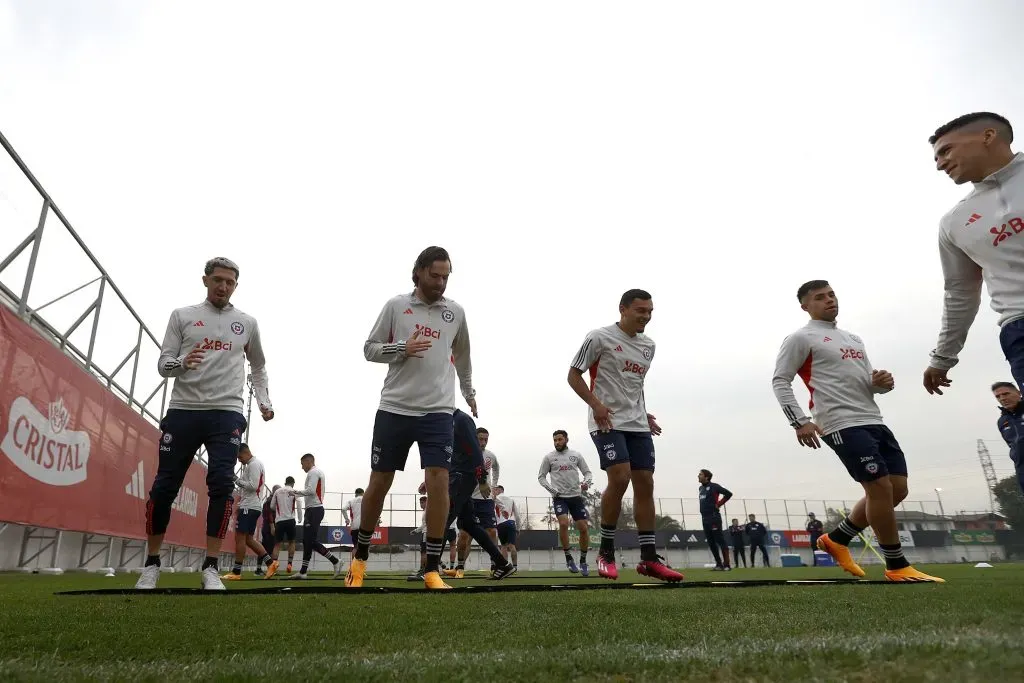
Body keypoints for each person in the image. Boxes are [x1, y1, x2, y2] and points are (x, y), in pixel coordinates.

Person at [773, 279, 944, 582]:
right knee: (878, 488)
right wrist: (799, 421)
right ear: (805, 306)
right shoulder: (801, 338)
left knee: (898, 488)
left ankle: (837, 538)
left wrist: (881, 384)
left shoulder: (853, 339)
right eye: (819, 297)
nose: (829, 300)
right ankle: (896, 564)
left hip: (873, 419)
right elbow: (780, 380)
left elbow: (867, 383)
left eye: (831, 294)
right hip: (839, 423)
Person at [135, 257, 274, 591]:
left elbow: (258, 367)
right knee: (164, 487)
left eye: (229, 282)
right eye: (217, 280)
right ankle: (151, 565)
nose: (223, 287)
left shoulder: (247, 323)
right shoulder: (182, 316)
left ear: (235, 285)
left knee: (222, 485)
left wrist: (265, 402)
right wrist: (182, 362)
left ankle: (211, 567)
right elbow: (163, 365)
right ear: (205, 280)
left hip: (226, 412)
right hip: (184, 410)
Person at [349, 246, 476, 591]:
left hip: (438, 410)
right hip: (395, 407)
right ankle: (359, 559)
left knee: (439, 480)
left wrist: (469, 391)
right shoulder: (396, 306)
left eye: (446, 276)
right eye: (434, 275)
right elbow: (369, 349)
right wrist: (402, 348)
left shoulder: (456, 313)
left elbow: (462, 356)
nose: (440, 282)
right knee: (380, 481)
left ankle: (432, 568)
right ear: (418, 272)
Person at [567, 289, 682, 583]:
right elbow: (573, 376)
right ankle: (605, 552)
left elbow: (634, 385)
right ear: (623, 309)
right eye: (640, 310)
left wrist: (645, 415)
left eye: (650, 312)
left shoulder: (649, 346)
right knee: (620, 478)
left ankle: (648, 559)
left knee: (645, 482)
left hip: (637, 424)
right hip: (606, 421)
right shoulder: (599, 337)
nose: (646, 316)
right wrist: (597, 406)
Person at [922, 113, 1024, 397]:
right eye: (936, 158)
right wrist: (943, 356)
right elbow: (960, 293)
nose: (940, 164)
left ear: (988, 136)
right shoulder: (955, 222)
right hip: (1019, 325)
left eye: (946, 151)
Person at [421, 409, 515, 583]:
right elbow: (451, 456)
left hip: (463, 478)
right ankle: (502, 564)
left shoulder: (461, 420)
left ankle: (429, 569)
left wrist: (482, 480)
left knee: (443, 520)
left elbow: (476, 453)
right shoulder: (448, 422)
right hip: (458, 477)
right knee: (469, 525)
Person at [537, 429, 594, 576]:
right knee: (563, 524)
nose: (557, 442)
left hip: (575, 497)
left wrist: (586, 483)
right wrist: (552, 490)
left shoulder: (576, 455)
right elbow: (541, 477)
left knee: (583, 528)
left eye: (560, 439)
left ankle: (582, 561)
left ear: (566, 440)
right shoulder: (549, 457)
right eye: (555, 440)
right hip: (560, 497)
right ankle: (569, 558)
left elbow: (588, 472)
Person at [223, 444, 278, 580]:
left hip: (250, 506)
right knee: (248, 539)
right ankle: (271, 563)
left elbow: (253, 486)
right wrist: (240, 504)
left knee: (240, 538)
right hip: (250, 505)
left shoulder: (253, 465)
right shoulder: (254, 464)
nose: (239, 460)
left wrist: (236, 479)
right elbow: (251, 487)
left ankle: (236, 572)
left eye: (240, 457)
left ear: (246, 452)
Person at [287, 454, 343, 580]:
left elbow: (311, 491)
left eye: (302, 464)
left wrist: (295, 492)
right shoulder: (315, 472)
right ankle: (303, 571)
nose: (302, 467)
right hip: (312, 509)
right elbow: (312, 491)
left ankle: (335, 561)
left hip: (314, 509)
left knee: (310, 541)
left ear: (308, 461)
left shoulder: (313, 472)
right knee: (307, 541)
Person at [458, 427, 500, 571]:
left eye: (485, 439)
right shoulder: (466, 453)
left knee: (492, 532)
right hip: (468, 498)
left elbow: (496, 469)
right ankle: (459, 566)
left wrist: (493, 487)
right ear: (474, 438)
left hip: (485, 500)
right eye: (480, 439)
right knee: (465, 535)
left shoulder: (490, 456)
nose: (483, 442)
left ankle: (495, 562)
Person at [992, 381, 1024, 494]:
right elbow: (1012, 446)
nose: (1002, 398)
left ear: (1019, 393)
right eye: (998, 396)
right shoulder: (1002, 422)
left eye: (1006, 394)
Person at [697, 469, 732, 571]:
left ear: (706, 477)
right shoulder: (700, 488)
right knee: (711, 542)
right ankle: (718, 564)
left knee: (720, 540)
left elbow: (728, 494)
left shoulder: (714, 486)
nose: (698, 476)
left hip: (714, 517)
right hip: (705, 518)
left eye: (700, 474)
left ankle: (727, 565)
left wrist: (719, 504)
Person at [272, 476, 300, 573]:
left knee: (277, 544)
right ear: (292, 483)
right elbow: (299, 503)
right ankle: (289, 564)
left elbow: (272, 506)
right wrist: (300, 518)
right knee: (292, 542)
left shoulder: (277, 491)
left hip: (279, 520)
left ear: (285, 482)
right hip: (290, 519)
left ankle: (273, 565)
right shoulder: (293, 491)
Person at [493, 485, 520, 569]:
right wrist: (518, 528)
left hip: (501, 524)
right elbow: (517, 515)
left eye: (496, 489)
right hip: (511, 523)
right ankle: (515, 567)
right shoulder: (511, 500)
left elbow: (494, 514)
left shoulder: (495, 499)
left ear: (500, 490)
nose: (494, 491)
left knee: (503, 546)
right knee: (512, 546)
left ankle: (505, 567)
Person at [256, 484, 278, 576]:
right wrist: (272, 526)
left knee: (268, 548)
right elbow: (269, 515)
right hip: (268, 527)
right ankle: (260, 569)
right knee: (266, 549)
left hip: (269, 526)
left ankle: (263, 568)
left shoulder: (273, 501)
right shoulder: (270, 501)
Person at [343, 488, 365, 562]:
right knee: (364, 548)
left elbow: (343, 509)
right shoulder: (366, 499)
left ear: (356, 494)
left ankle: (353, 568)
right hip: (364, 527)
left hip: (354, 527)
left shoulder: (351, 501)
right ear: (363, 493)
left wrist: (347, 519)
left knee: (355, 547)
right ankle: (361, 570)